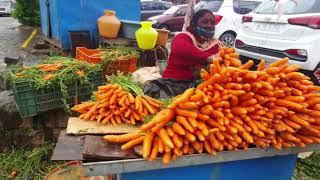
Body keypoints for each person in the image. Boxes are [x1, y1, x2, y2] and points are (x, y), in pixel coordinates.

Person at [144, 9, 221, 99]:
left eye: (212, 23)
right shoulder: (182, 38)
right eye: (204, 22)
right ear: (193, 24)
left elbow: (222, 61)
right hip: (173, 84)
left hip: (201, 88)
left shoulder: (215, 44)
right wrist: (208, 58)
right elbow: (183, 50)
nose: (209, 25)